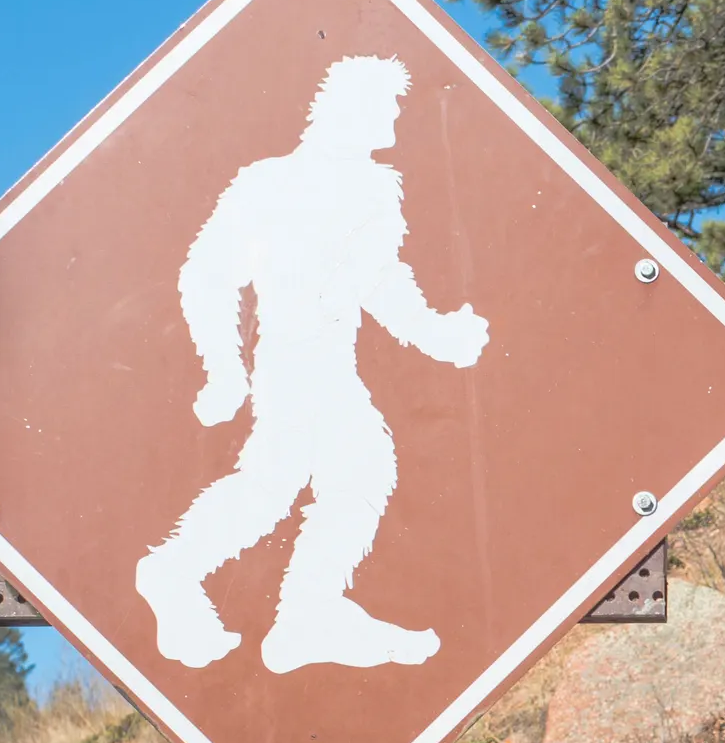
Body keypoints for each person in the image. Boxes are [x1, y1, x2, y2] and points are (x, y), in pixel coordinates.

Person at [134, 54, 487, 672]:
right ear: (347, 109)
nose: (396, 125)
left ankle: (298, 612)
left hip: (327, 364)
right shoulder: (266, 185)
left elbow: (379, 282)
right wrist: (223, 368)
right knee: (289, 484)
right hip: (292, 362)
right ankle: (195, 579)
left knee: (347, 472)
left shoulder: (377, 190)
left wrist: (439, 335)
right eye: (386, 110)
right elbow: (207, 275)